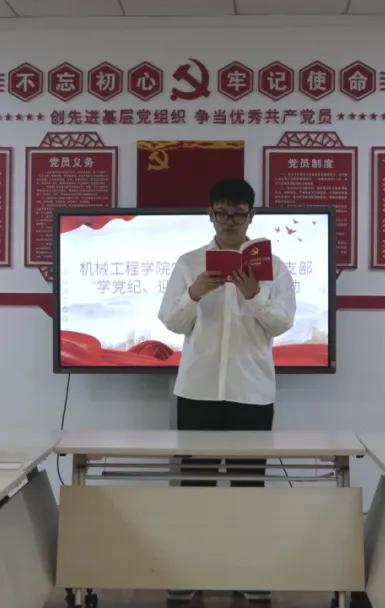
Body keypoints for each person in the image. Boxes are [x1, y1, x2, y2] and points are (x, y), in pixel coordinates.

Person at [157, 178, 296, 603]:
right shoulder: (189, 263)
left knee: (248, 487)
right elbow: (171, 321)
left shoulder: (274, 267)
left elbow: (281, 324)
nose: (230, 221)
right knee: (194, 487)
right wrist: (195, 293)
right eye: (222, 212)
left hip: (251, 392)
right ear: (210, 214)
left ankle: (248, 570)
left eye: (238, 213)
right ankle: (190, 570)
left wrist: (253, 296)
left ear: (252, 216)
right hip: (197, 390)